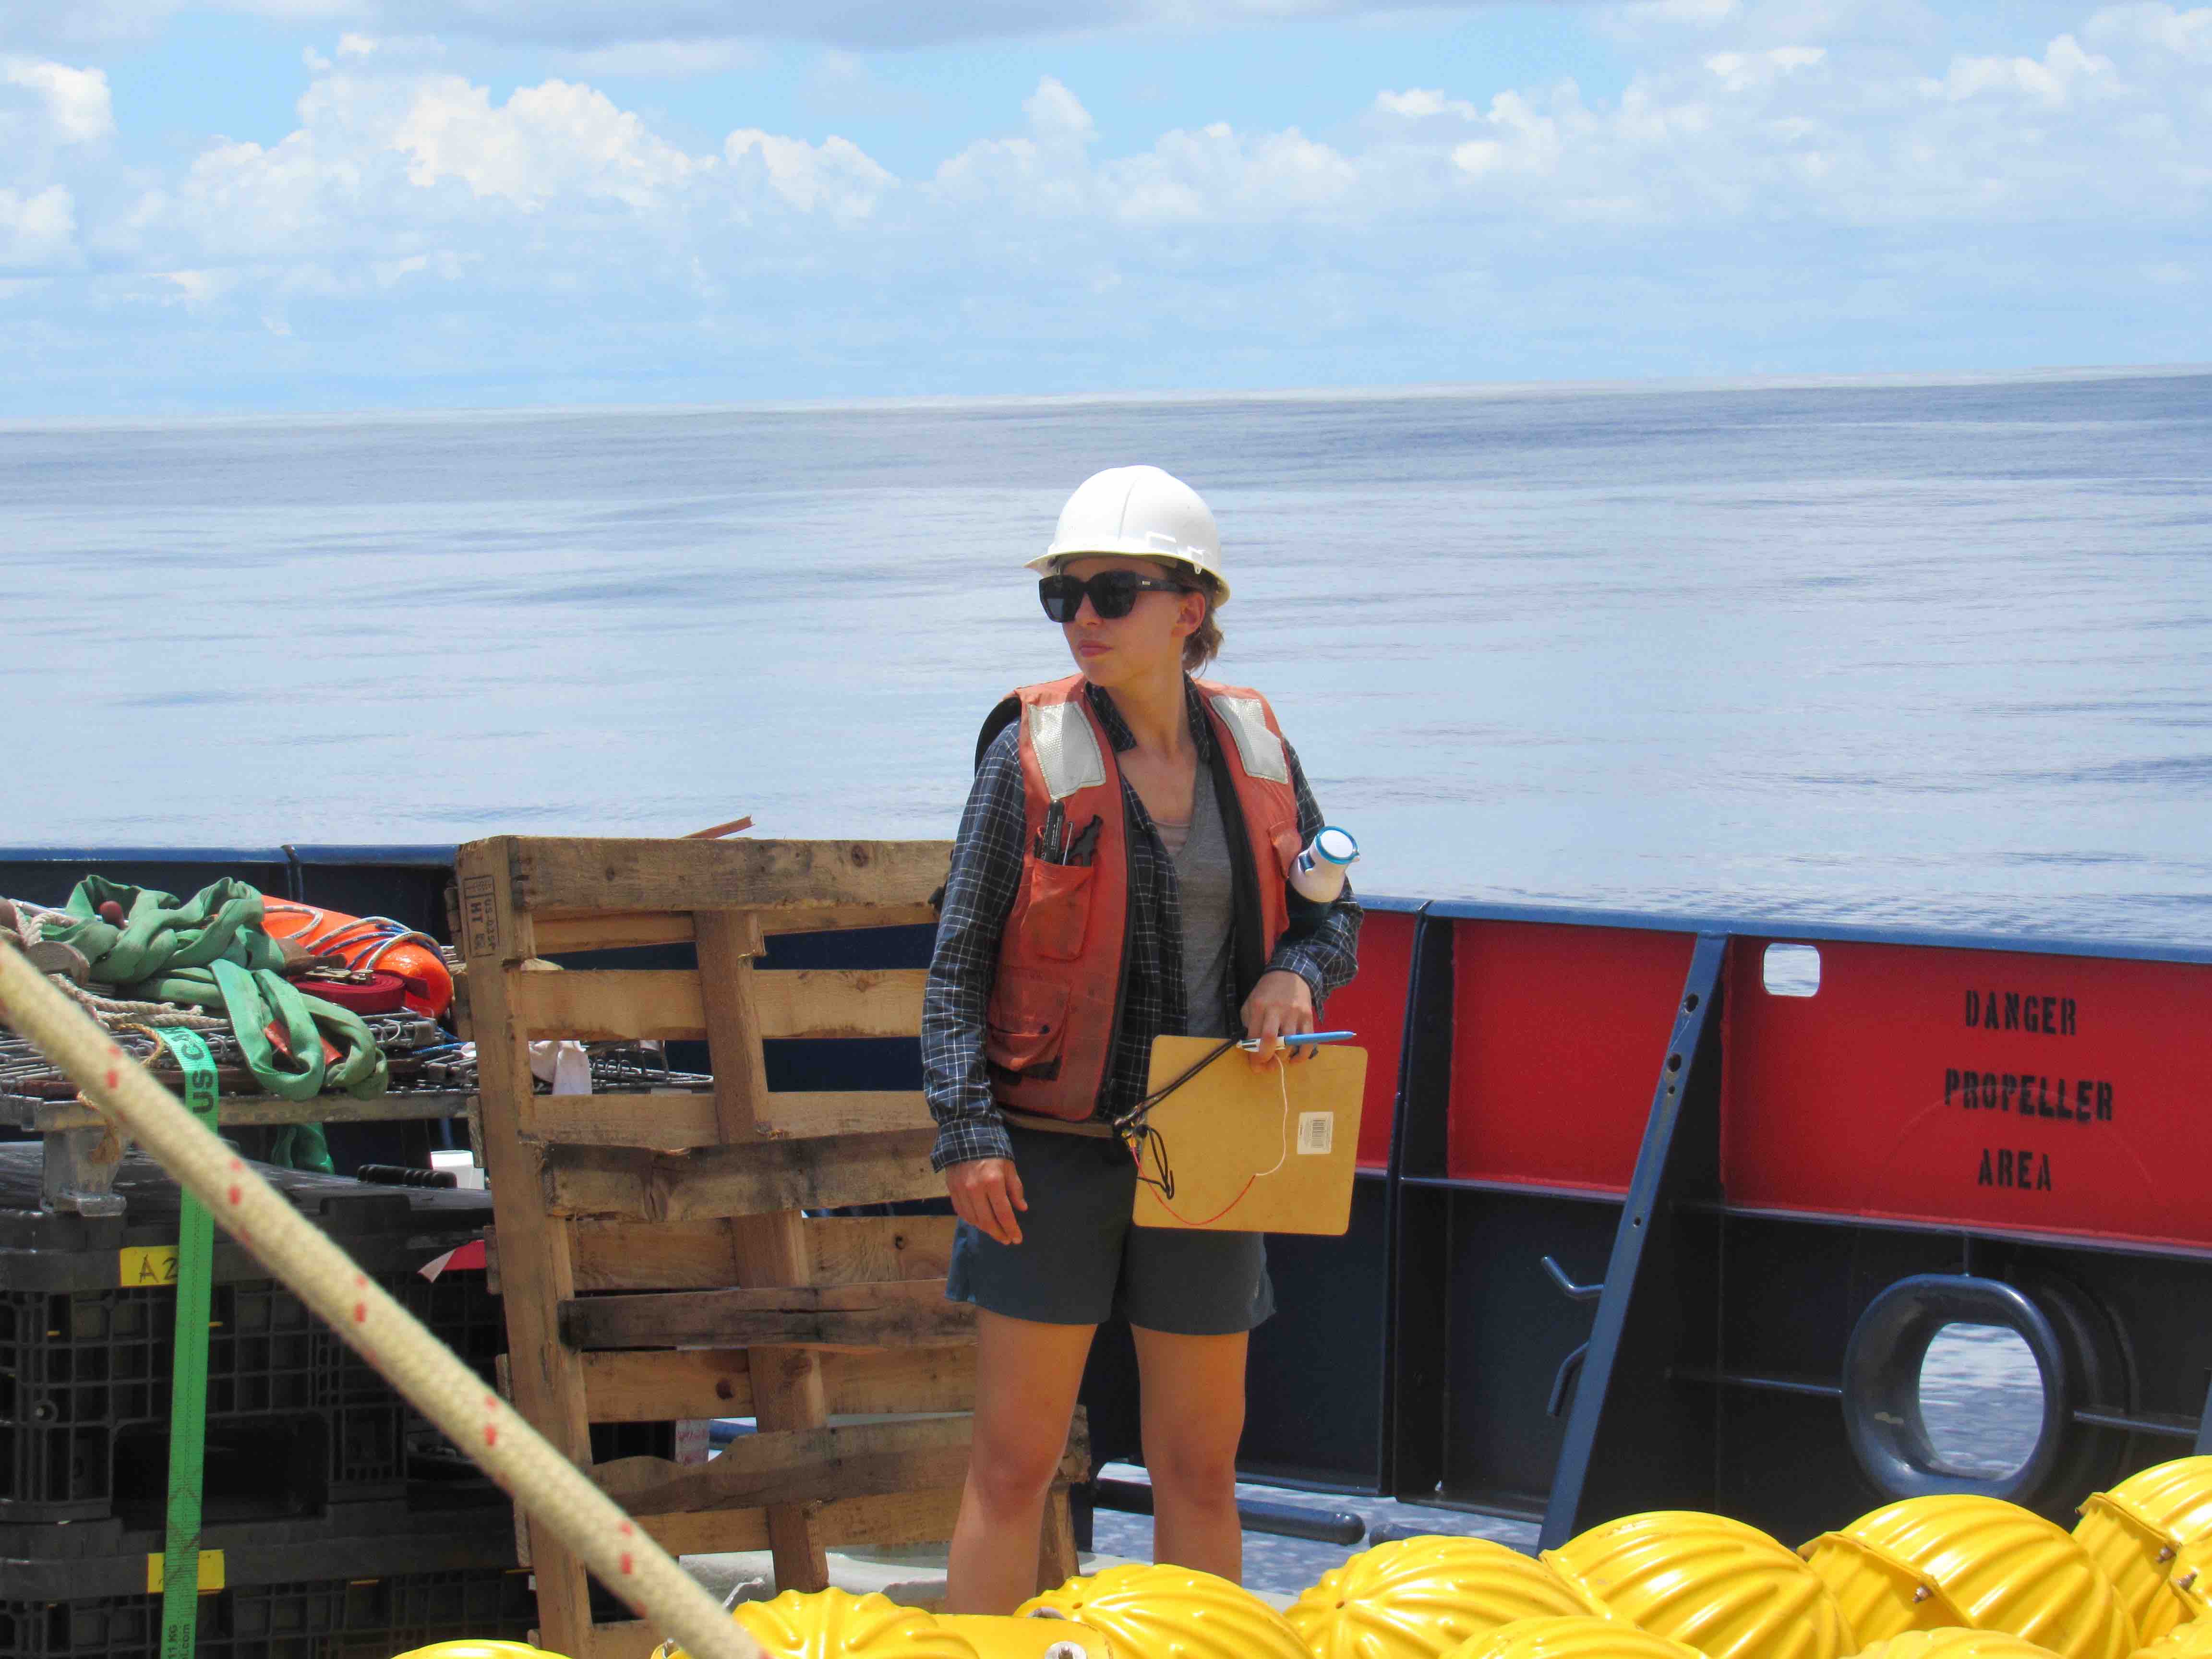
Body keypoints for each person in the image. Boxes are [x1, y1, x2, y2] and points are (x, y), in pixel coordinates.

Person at [922, 463, 1362, 1613]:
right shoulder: (1027, 754)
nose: (1082, 617)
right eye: (1062, 595)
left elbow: (1333, 917)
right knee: (1013, 1468)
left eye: (1112, 593)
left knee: (1200, 1467)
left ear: (1190, 607)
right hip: (1048, 1154)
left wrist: (1294, 975)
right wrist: (969, 1136)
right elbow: (956, 966)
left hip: (1210, 1143)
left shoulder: (1257, 747)